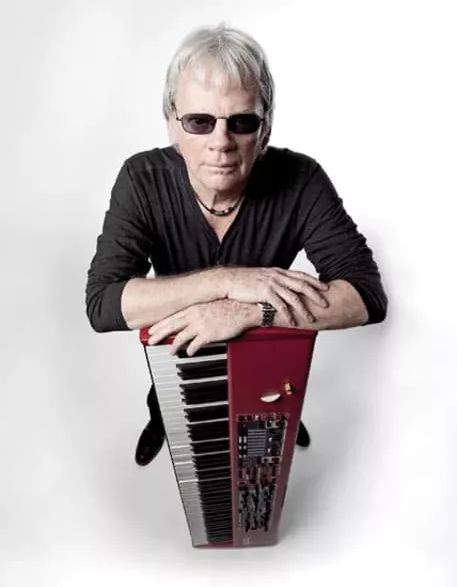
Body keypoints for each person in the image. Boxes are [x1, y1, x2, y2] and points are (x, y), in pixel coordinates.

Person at [85, 23, 388, 467]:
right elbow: (103, 304)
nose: (221, 143)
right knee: (169, 404)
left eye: (242, 122)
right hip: (181, 357)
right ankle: (160, 421)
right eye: (199, 122)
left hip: (267, 359)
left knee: (272, 408)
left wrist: (249, 312)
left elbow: (366, 296)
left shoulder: (302, 180)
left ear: (265, 131)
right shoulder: (141, 179)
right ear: (172, 124)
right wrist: (227, 281)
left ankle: (285, 416)